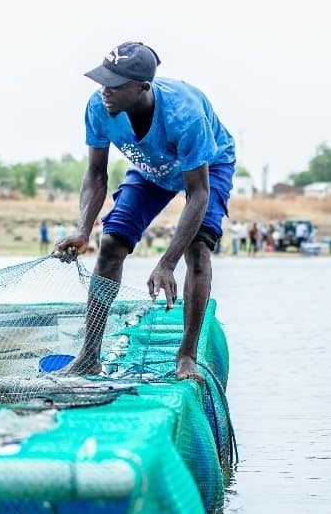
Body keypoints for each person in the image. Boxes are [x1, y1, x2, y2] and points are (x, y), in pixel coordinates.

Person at [55, 41, 236, 381]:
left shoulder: (185, 114)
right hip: (151, 165)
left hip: (207, 165)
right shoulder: (98, 107)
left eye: (115, 85)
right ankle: (88, 356)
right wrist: (83, 230)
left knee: (197, 250)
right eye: (102, 81)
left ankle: (186, 357)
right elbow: (96, 173)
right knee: (110, 245)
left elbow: (198, 194)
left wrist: (166, 262)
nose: (105, 91)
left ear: (142, 88)